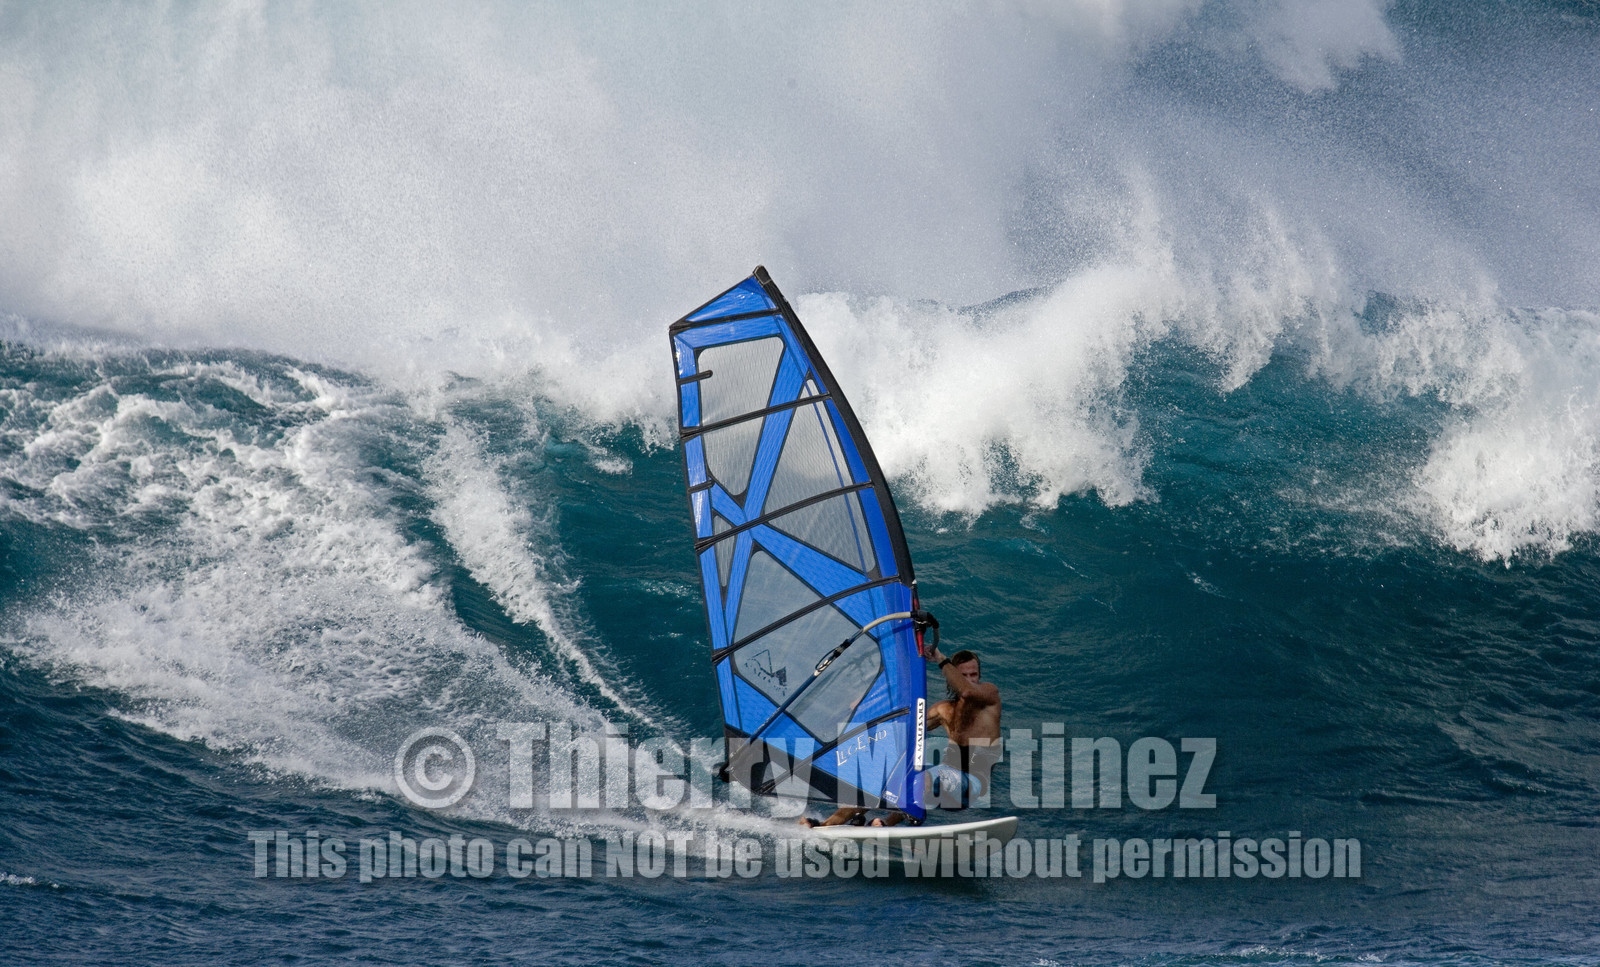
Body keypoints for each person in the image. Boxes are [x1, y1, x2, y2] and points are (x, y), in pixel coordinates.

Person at [923, 644, 1002, 809]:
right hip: (942, 777)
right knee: (901, 773)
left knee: (926, 778)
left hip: (972, 783)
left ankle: (908, 813)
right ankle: (881, 820)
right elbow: (911, 726)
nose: (969, 680)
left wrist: (940, 659)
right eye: (962, 676)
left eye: (974, 675)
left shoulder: (990, 696)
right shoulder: (944, 709)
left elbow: (967, 691)